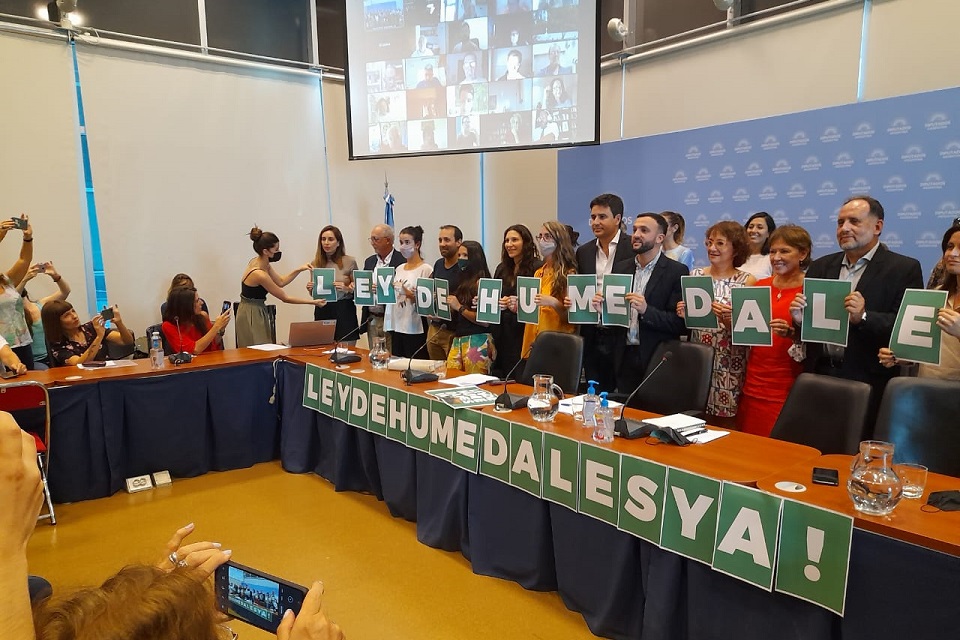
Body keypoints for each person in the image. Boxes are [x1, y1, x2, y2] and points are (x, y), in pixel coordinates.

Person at [789, 196, 923, 424]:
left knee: (857, 443)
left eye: (854, 221)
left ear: (877, 226)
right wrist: (800, 320)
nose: (844, 228)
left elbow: (906, 329)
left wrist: (864, 317)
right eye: (840, 222)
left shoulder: (903, 268)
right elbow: (809, 330)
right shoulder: (821, 266)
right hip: (819, 374)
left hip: (868, 379)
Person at [597, 213, 689, 397]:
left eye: (644, 230)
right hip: (623, 355)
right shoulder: (621, 268)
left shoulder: (676, 271)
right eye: (635, 229)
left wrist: (647, 311)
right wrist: (604, 311)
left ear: (660, 238)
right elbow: (616, 319)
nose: (636, 235)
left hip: (657, 357)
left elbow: (679, 324)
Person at [676, 221, 757, 427]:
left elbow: (750, 330)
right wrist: (683, 313)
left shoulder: (747, 281)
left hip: (729, 361)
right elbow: (690, 323)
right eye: (709, 242)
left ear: (736, 249)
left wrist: (729, 321)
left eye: (720, 243)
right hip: (698, 358)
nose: (712, 248)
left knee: (723, 422)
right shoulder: (695, 275)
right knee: (694, 416)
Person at [737, 225, 812, 437]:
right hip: (752, 384)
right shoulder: (759, 286)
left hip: (788, 386)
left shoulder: (811, 289)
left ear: (803, 254)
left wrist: (792, 334)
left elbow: (820, 340)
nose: (776, 257)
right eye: (772, 251)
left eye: (784, 251)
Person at [879, 223, 960, 381]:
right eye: (950, 247)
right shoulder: (935, 295)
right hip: (926, 386)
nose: (952, 253)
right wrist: (900, 357)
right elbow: (924, 349)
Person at [574, 194, 634, 393]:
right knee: (595, 393)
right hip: (592, 333)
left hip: (623, 335)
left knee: (624, 394)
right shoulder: (584, 251)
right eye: (593, 217)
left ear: (617, 219)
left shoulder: (632, 247)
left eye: (602, 217)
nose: (595, 222)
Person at [237, 227, 324, 348]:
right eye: (276, 250)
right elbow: (285, 298)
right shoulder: (259, 274)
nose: (278, 252)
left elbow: (281, 282)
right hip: (251, 312)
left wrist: (299, 269)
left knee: (263, 346)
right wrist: (313, 302)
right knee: (258, 349)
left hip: (257, 309)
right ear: (266, 251)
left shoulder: (262, 263)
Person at [519, 221, 578, 355]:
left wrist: (553, 302)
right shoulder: (538, 272)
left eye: (547, 236)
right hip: (534, 341)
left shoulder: (568, 274)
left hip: (555, 343)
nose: (542, 241)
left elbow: (570, 318)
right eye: (540, 236)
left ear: (559, 240)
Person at [492, 225, 541, 378]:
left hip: (524, 332)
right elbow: (496, 295)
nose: (509, 244)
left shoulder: (537, 267)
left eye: (514, 240)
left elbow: (539, 300)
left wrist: (519, 303)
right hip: (503, 333)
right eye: (507, 240)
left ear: (525, 242)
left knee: (522, 376)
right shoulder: (502, 268)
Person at [446, 241, 496, 373]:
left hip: (478, 341)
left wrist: (460, 308)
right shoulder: (461, 281)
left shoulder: (482, 283)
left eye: (465, 255)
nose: (461, 259)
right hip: (459, 338)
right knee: (451, 378)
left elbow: (485, 321)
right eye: (459, 255)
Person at [385, 226, 433, 357]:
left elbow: (426, 302)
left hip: (415, 325)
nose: (403, 246)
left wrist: (406, 292)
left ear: (417, 244)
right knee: (397, 360)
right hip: (398, 323)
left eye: (407, 242)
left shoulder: (426, 269)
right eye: (401, 242)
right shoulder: (399, 268)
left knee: (415, 360)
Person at [307, 225, 360, 344]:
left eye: (330, 239)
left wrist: (346, 288)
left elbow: (358, 289)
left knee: (346, 349)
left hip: (344, 309)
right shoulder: (315, 263)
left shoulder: (349, 261)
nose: (326, 243)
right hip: (323, 308)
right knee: (323, 348)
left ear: (338, 242)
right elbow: (314, 294)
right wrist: (310, 289)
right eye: (323, 239)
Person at [42, 301, 135, 367]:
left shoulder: (90, 327)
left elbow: (127, 341)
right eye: (67, 315)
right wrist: (99, 337)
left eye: (73, 311)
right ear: (55, 322)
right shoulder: (57, 344)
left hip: (106, 371)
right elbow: (80, 364)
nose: (74, 316)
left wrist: (119, 323)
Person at [16, 261, 70, 368]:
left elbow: (65, 291)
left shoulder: (41, 305)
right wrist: (25, 279)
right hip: (33, 362)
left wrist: (55, 276)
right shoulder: (13, 313)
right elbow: (13, 299)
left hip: (53, 356)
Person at [361, 224, 406, 351]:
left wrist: (384, 288)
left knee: (391, 354)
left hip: (391, 318)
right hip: (372, 318)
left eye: (376, 239)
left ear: (388, 240)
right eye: (371, 239)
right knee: (374, 355)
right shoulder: (369, 261)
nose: (372, 243)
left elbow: (403, 288)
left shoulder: (402, 260)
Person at [0, 215, 37, 369]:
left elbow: (24, 260)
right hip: (2, 348)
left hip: (22, 342)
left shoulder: (6, 281)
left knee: (29, 380)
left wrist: (27, 238)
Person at [426, 225, 463, 360]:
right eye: (440, 240)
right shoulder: (438, 264)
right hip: (435, 328)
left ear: (458, 242)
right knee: (435, 369)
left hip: (454, 331)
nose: (442, 244)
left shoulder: (464, 268)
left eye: (447, 240)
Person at [162, 287, 231, 355]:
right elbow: (194, 350)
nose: (202, 303)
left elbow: (213, 343)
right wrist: (216, 326)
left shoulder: (202, 316)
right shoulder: (168, 326)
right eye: (197, 301)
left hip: (211, 358)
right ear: (186, 305)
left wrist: (221, 329)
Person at [741, 212, 776, 279]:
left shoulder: (772, 258)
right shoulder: (736, 256)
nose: (753, 230)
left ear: (768, 233)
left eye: (760, 227)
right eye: (750, 227)